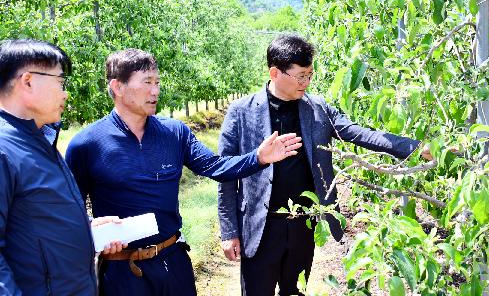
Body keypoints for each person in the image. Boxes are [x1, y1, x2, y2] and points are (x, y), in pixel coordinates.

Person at [65, 48, 301, 296]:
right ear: (118, 86)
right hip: (122, 272)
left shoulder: (174, 133)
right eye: (147, 83)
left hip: (173, 261)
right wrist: (95, 231)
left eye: (157, 82)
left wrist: (258, 158)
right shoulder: (87, 144)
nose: (155, 91)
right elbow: (69, 211)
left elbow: (215, 166)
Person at [217, 34, 433, 296]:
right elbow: (226, 174)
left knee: (296, 292)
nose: (306, 82)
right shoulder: (242, 112)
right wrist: (229, 231)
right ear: (275, 72)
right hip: (259, 228)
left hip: (303, 225)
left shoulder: (317, 109)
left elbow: (361, 134)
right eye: (301, 76)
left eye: (310, 74)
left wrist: (416, 148)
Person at [0, 39, 125, 296]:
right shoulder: (5, 149)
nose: (65, 93)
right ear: (28, 82)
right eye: (60, 81)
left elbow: (32, 221)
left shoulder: (39, 140)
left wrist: (85, 227)